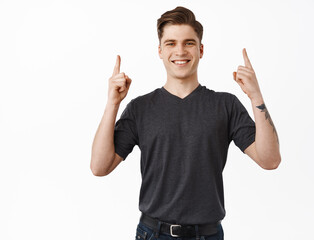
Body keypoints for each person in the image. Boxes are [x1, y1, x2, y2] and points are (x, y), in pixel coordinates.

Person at [90, 6, 281, 240]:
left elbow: (270, 160)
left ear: (201, 50)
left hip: (207, 233)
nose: (180, 51)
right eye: (171, 43)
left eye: (189, 43)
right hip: (153, 232)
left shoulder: (225, 105)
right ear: (160, 51)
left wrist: (256, 96)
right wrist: (112, 103)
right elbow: (100, 167)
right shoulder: (140, 108)